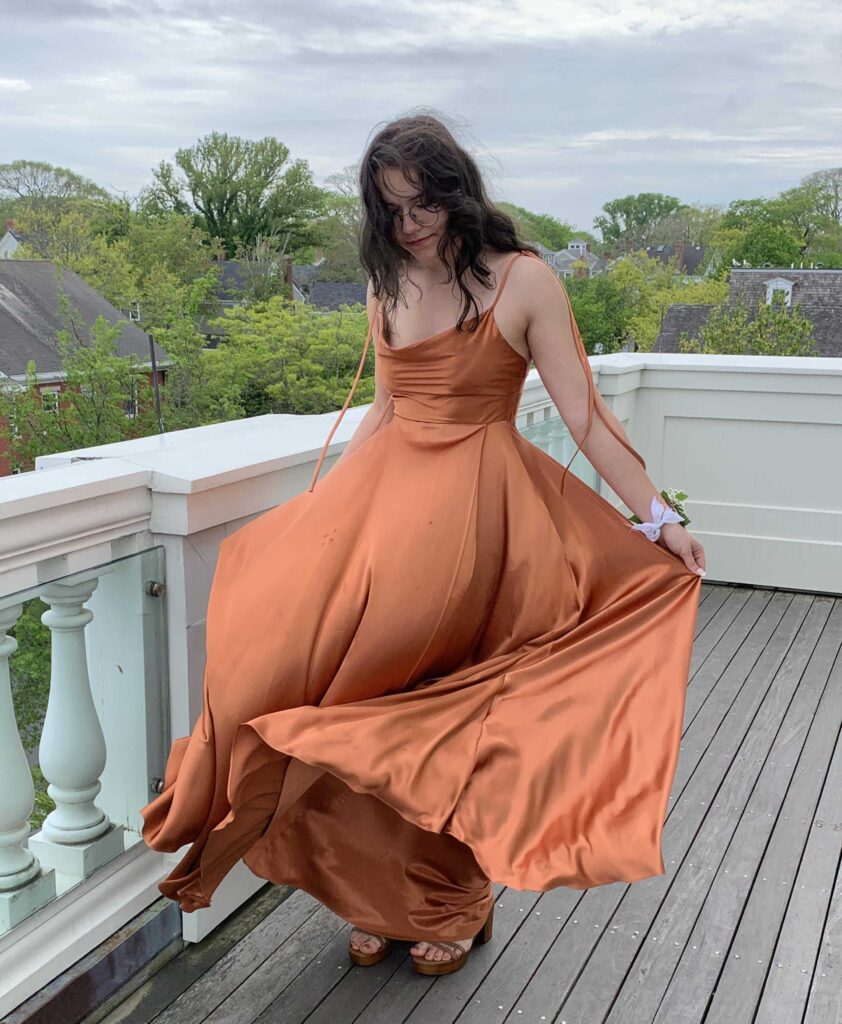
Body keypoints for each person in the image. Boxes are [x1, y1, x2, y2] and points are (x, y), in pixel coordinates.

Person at [140, 113, 706, 977]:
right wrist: (324, 516)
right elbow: (385, 410)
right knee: (344, 692)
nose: (411, 225)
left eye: (425, 204)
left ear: (457, 191)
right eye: (393, 210)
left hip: (481, 516)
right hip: (388, 505)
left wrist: (660, 518)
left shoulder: (524, 280)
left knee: (434, 709)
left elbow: (586, 416)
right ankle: (379, 899)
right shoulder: (387, 284)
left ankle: (453, 901)